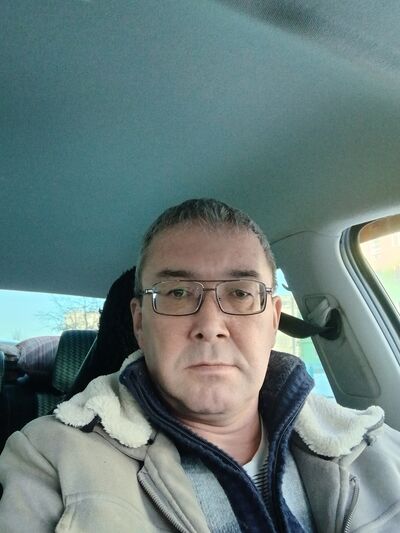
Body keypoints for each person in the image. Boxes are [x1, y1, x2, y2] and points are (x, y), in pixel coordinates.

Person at [0, 198, 399, 532]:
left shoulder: (379, 448)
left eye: (240, 293)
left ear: (273, 319)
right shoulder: (49, 459)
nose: (210, 325)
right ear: (139, 323)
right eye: (176, 292)